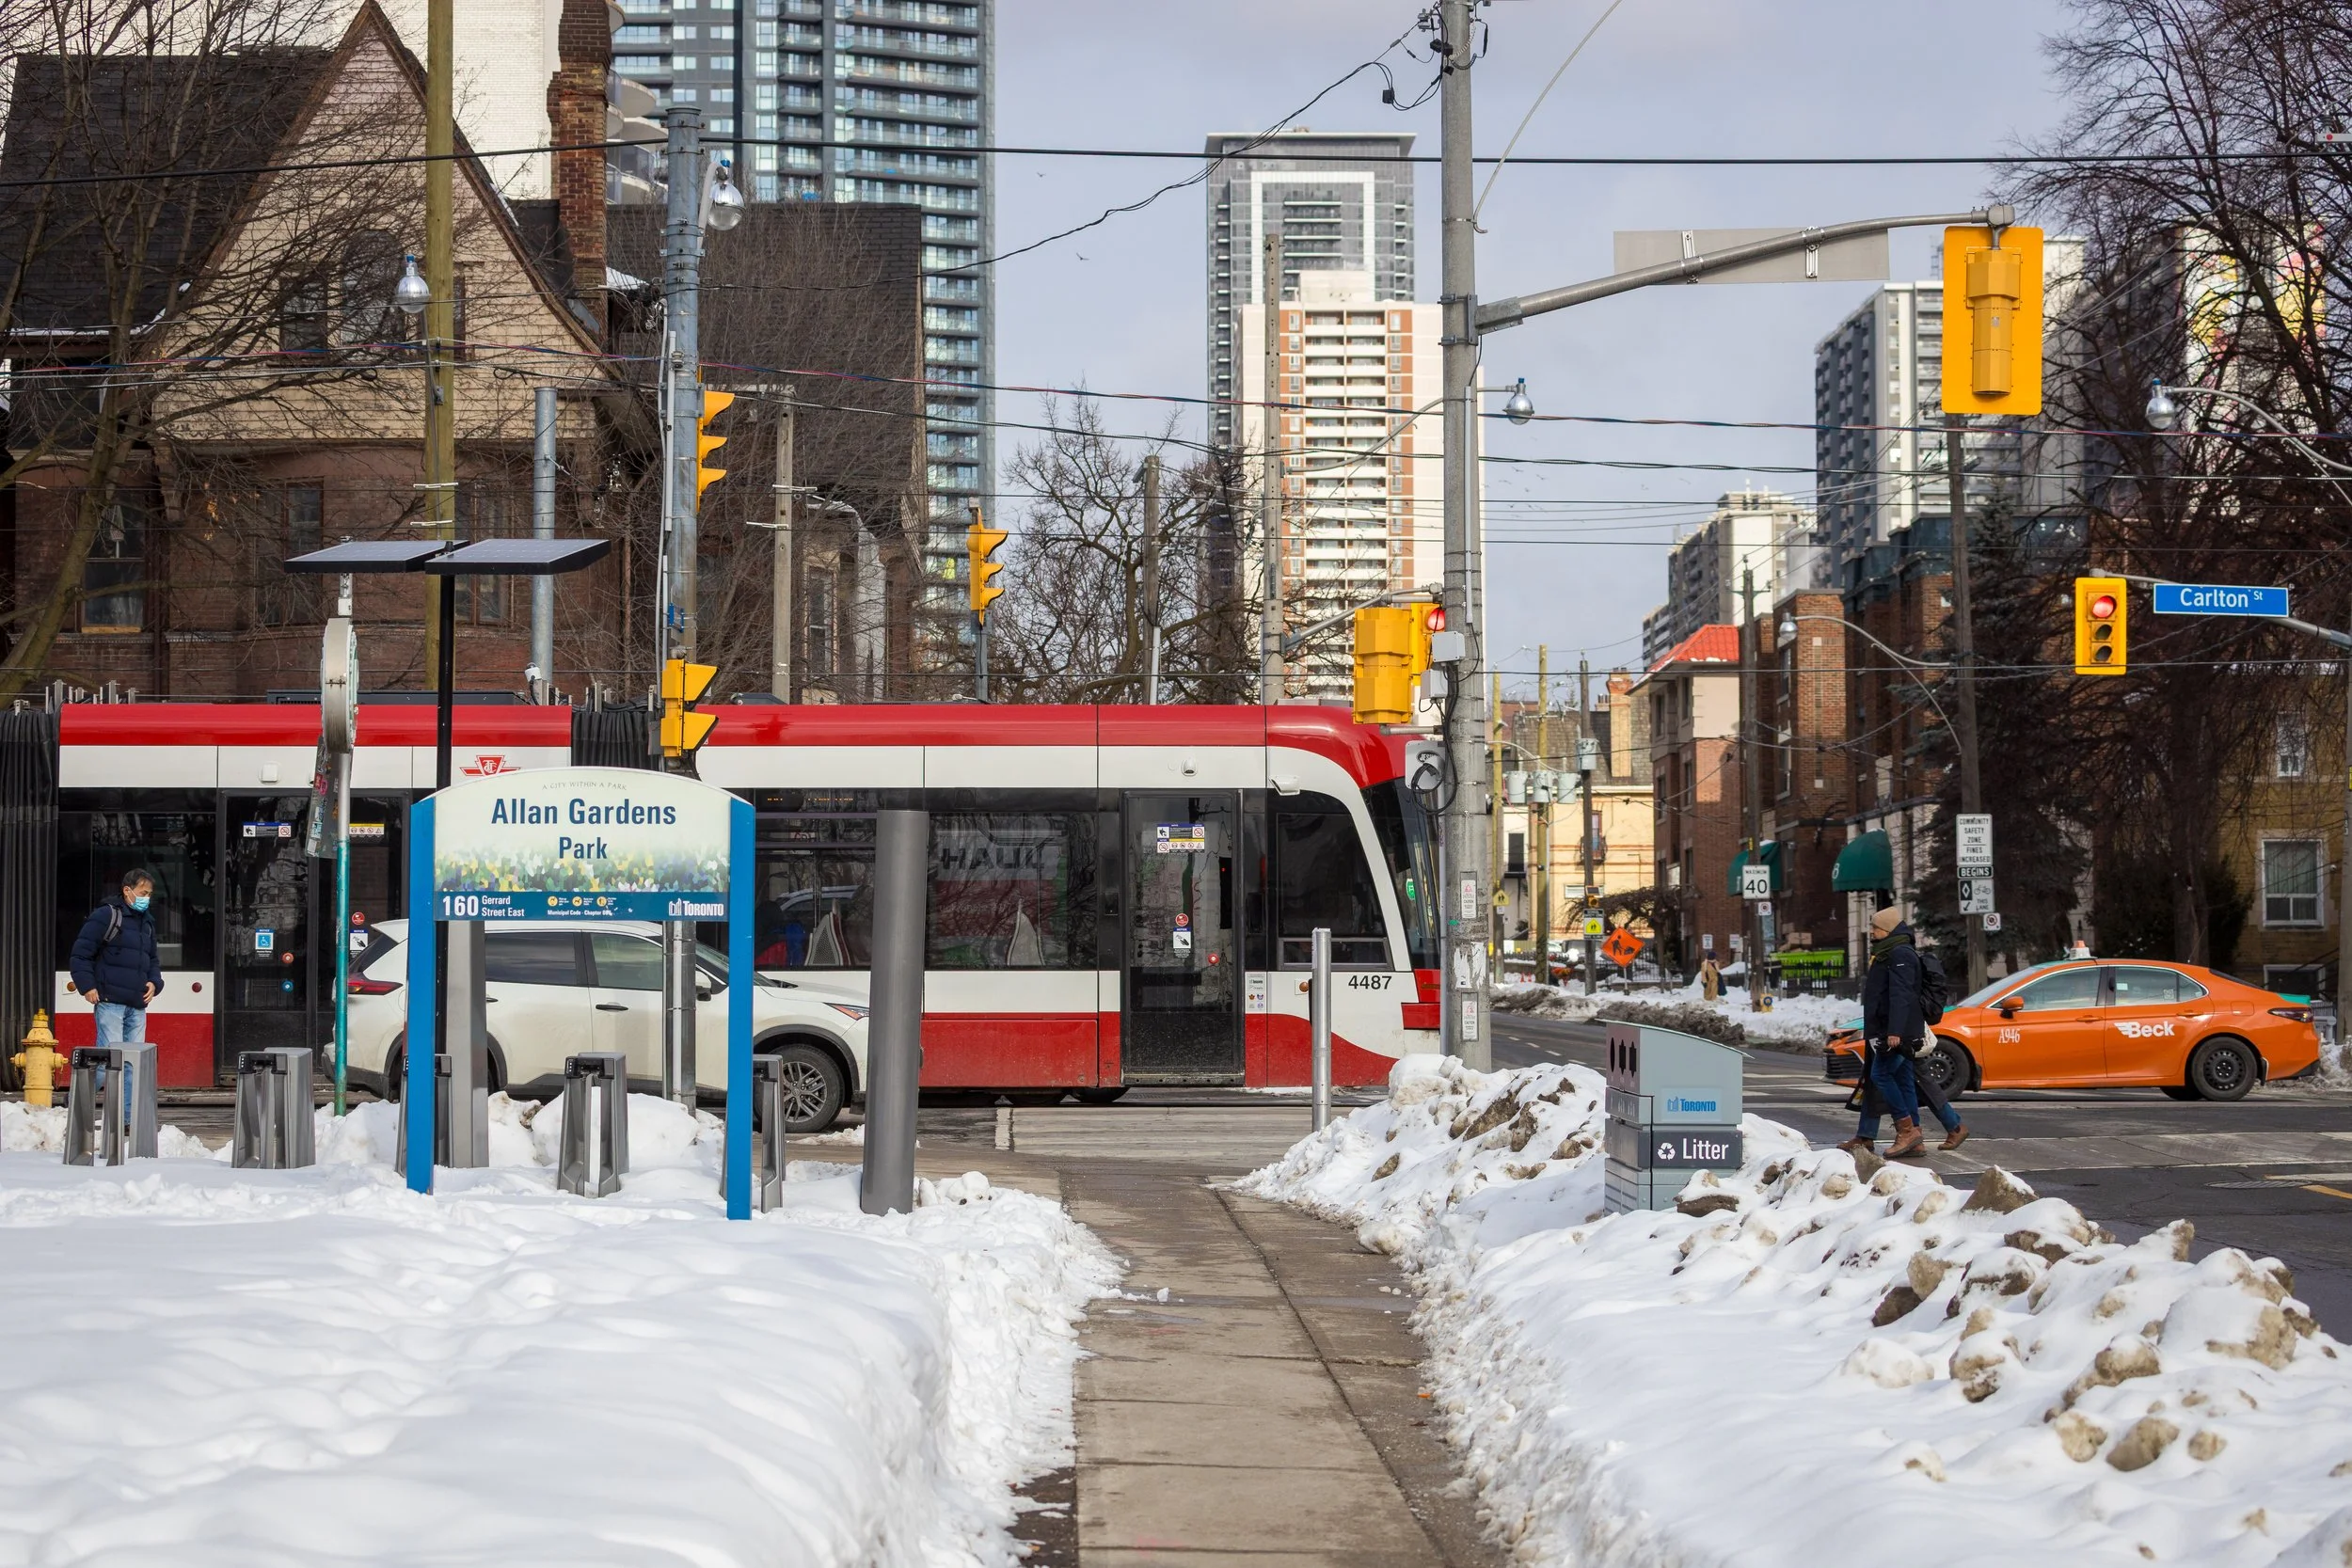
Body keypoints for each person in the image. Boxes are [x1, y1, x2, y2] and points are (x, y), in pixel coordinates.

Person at [1844, 903, 1929, 1160]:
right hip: (1885, 1028)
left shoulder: (1899, 953)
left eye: (1875, 927)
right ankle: (1909, 1136)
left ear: (1887, 929)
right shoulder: (1888, 951)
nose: (1871, 931)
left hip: (1893, 1031)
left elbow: (1900, 995)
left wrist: (1895, 1031)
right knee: (1901, 1080)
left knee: (1881, 1076)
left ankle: (1907, 1130)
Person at [70, 868, 163, 1049]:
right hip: (110, 1003)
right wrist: (87, 986)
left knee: (134, 1061)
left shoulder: (147, 922)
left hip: (137, 1004)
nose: (147, 899)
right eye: (143, 893)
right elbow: (81, 954)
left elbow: (152, 959)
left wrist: (155, 982)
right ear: (127, 890)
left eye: (150, 895)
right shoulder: (106, 915)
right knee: (110, 1060)